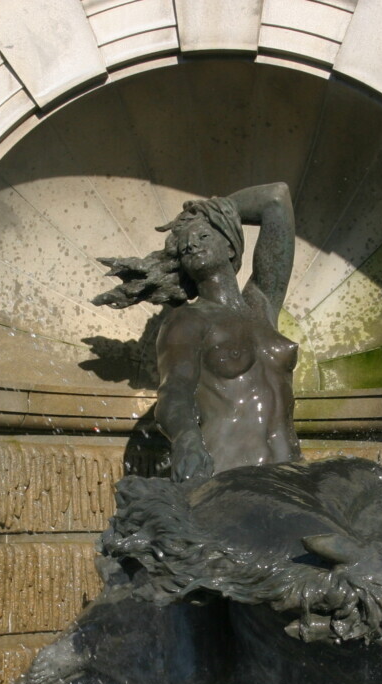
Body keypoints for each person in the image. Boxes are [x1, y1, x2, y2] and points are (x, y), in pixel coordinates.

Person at [94, 183, 300, 482]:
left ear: (230, 246)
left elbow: (276, 199)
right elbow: (175, 392)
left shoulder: (262, 306)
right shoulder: (187, 320)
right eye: (183, 245)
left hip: (290, 479)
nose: (191, 245)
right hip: (229, 478)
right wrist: (187, 440)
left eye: (203, 236)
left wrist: (211, 211)